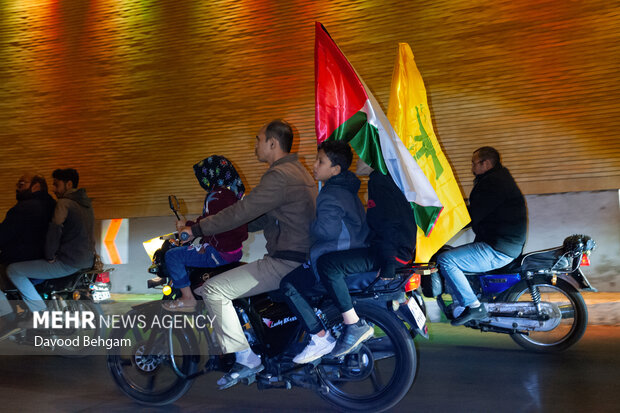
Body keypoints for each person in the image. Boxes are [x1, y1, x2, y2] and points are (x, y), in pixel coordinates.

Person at [179, 120, 317, 389]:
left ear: (272, 144)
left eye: (258, 139)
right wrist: (223, 227)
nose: (255, 145)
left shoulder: (279, 176)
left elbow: (243, 211)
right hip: (299, 256)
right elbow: (257, 218)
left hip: (285, 260)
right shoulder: (298, 172)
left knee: (214, 290)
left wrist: (196, 229)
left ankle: (245, 357)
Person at [279, 140, 369, 364]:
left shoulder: (330, 193)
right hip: (350, 253)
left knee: (289, 286)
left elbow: (326, 231)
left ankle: (319, 337)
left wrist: (309, 224)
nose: (315, 165)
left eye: (321, 161)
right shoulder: (348, 189)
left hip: (332, 255)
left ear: (335, 169)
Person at [315, 162, 417, 358]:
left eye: (360, 157)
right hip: (399, 251)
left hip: (391, 254)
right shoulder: (386, 178)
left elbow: (388, 223)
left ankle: (353, 325)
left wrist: (388, 265)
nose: (356, 163)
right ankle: (394, 302)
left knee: (327, 265)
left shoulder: (379, 181)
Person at [437, 146, 526, 326]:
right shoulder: (497, 179)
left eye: (473, 163)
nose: (472, 167)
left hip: (498, 247)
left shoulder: (493, 183)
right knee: (451, 255)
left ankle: (473, 306)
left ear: (485, 163)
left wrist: (441, 227)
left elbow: (473, 214)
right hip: (501, 243)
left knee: (446, 260)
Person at [162, 155, 248, 312]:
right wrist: (189, 226)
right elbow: (211, 220)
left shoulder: (216, 195)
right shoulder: (231, 195)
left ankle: (188, 298)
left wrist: (188, 228)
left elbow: (212, 221)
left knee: (173, 255)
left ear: (212, 173)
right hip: (234, 252)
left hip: (218, 252)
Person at [7, 168, 96, 317]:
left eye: (56, 185)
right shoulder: (87, 204)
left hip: (68, 262)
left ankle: (40, 312)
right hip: (86, 261)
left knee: (14, 270)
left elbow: (55, 230)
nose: (54, 189)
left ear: (68, 184)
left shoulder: (64, 203)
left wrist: (49, 255)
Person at [0, 173, 56, 329]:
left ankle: (5, 316)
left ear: (36, 186)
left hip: (24, 259)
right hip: (44, 261)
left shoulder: (23, 209)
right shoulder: (52, 205)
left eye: (22, 184)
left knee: (8, 271)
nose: (17, 188)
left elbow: (4, 233)